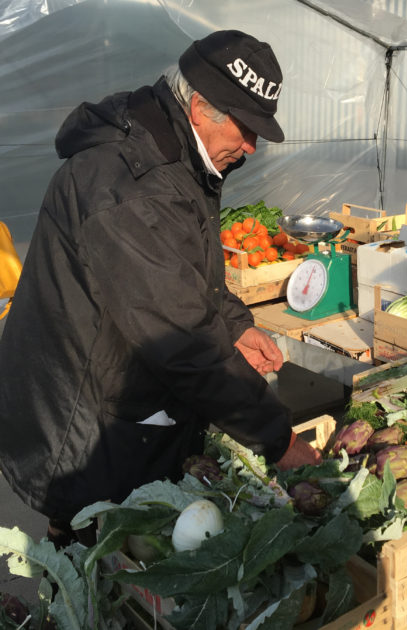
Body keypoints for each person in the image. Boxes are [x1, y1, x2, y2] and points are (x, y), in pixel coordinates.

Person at [0, 30, 321, 547]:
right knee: (94, 553)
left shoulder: (171, 149)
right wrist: (277, 439)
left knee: (113, 543)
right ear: (199, 107)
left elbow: (180, 270)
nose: (252, 146)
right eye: (246, 127)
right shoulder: (131, 185)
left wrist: (234, 324)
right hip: (78, 410)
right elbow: (180, 337)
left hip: (102, 380)